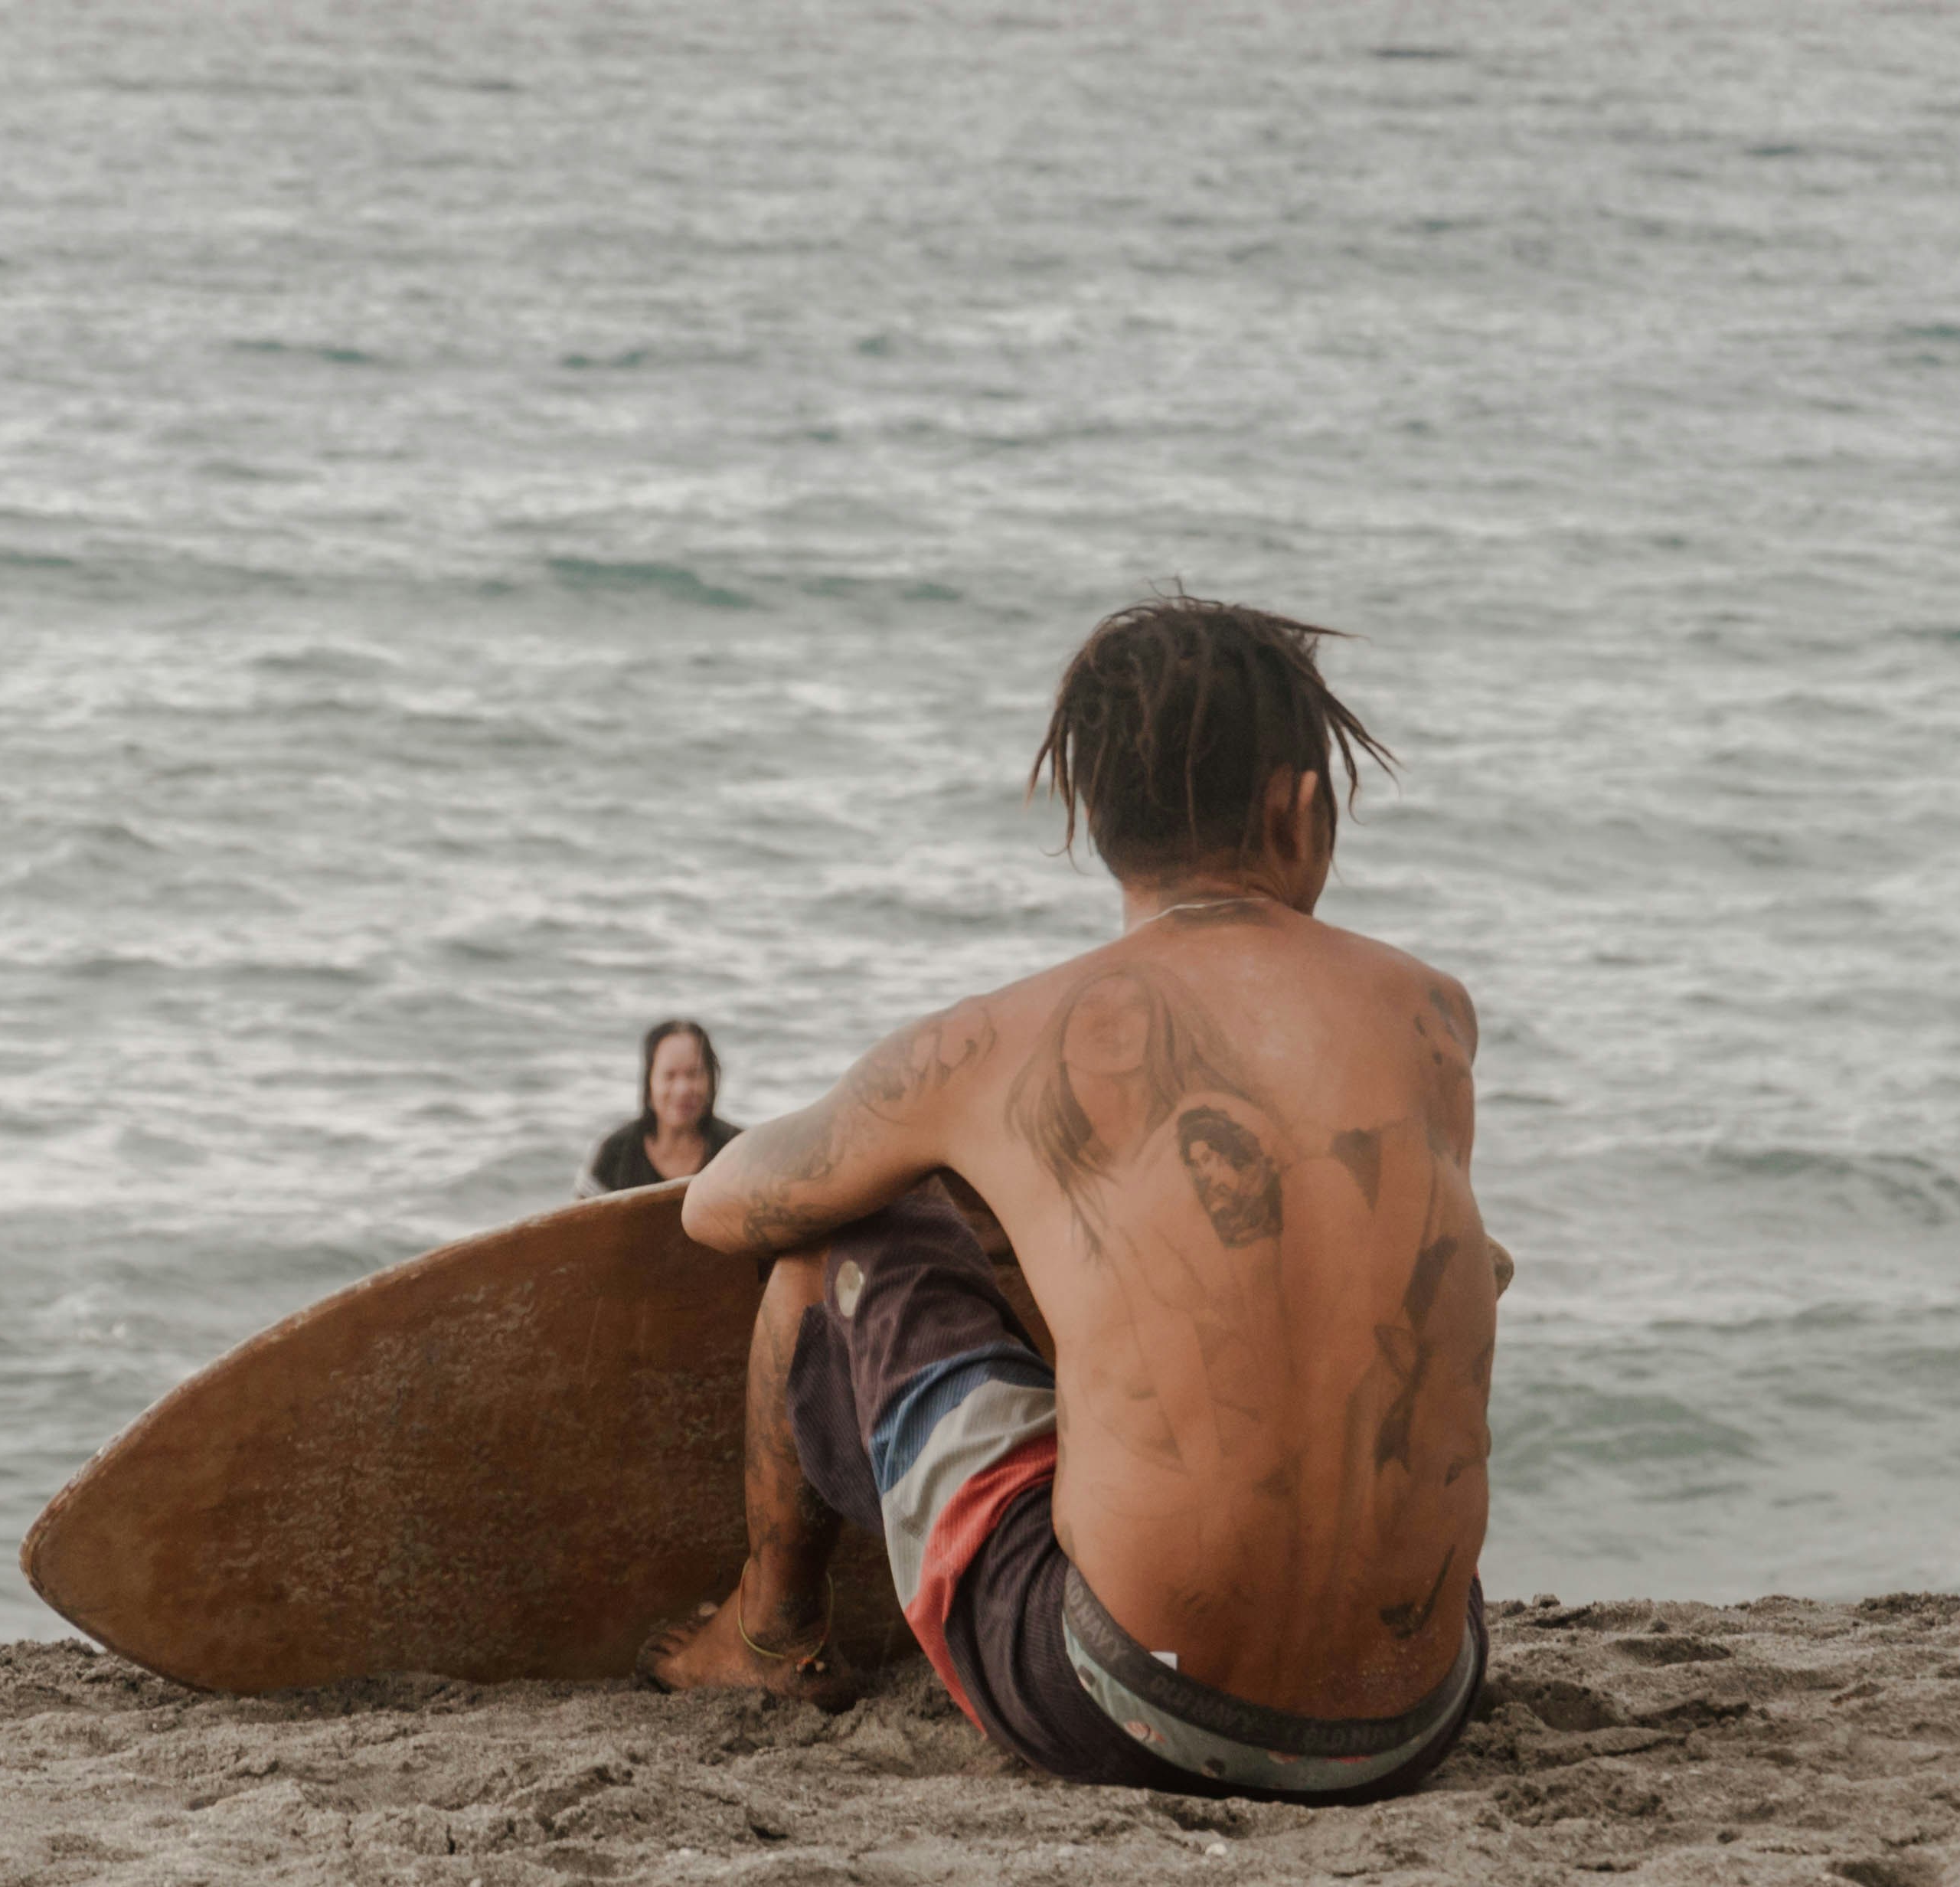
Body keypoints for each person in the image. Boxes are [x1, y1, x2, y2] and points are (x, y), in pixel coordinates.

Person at [642, 597, 1511, 1807]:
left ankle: (770, 1638)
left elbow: (719, 1207)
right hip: (1420, 1707)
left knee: (840, 1246)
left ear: (1092, 823)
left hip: (1133, 1704)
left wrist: (961, 1169)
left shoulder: (1003, 1038)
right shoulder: (1432, 1016)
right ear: (1300, 809)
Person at [577, 1019, 743, 1195]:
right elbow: (580, 1221)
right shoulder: (615, 1154)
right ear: (649, 1082)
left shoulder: (738, 1150)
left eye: (693, 1074)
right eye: (670, 1076)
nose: (682, 1089)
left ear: (711, 1079)